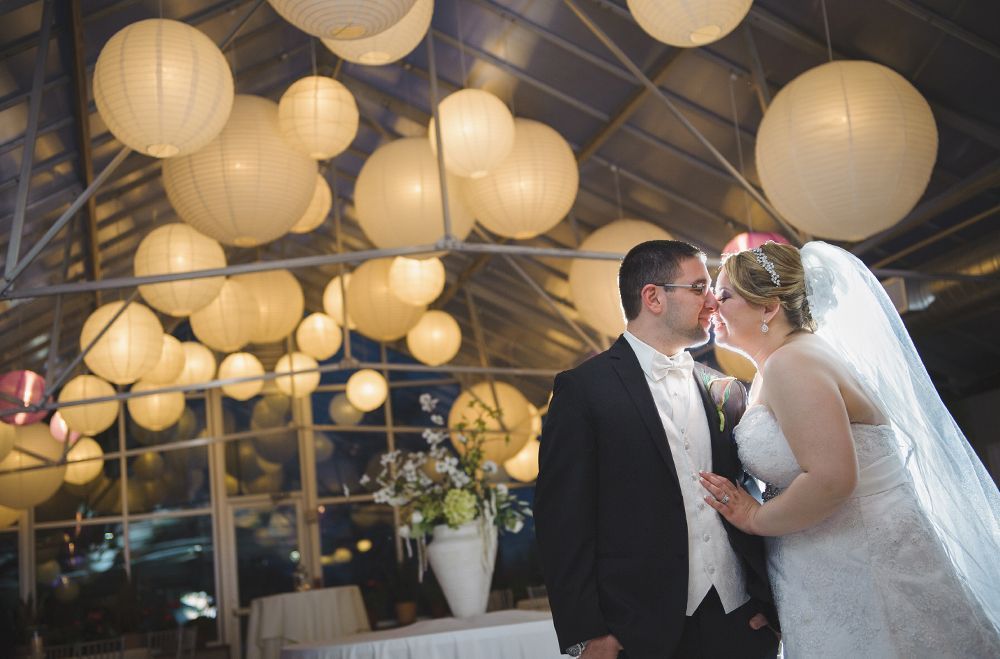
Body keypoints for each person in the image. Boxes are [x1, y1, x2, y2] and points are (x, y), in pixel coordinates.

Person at [701, 240, 1000, 657]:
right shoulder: (786, 361)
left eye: (725, 295)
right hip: (836, 563)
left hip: (865, 567)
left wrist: (755, 517)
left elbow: (832, 478)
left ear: (768, 307)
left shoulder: (793, 363)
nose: (713, 304)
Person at [535, 240, 780, 659]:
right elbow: (562, 522)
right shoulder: (583, 390)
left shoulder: (724, 389)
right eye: (699, 287)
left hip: (741, 620)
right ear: (653, 296)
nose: (713, 302)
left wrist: (768, 604)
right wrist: (589, 633)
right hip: (640, 631)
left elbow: (752, 490)